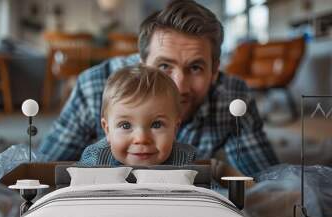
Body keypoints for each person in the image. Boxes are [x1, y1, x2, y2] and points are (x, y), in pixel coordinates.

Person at [39, 0, 279, 176]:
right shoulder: (94, 86)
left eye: (195, 67)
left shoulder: (233, 98)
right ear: (140, 62)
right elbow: (43, 170)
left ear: (214, 71)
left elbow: (268, 180)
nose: (178, 86)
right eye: (164, 66)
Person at [79, 65, 197, 166]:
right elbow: (75, 190)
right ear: (108, 130)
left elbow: (209, 190)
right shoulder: (96, 158)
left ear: (175, 129)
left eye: (156, 125)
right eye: (125, 125)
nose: (141, 139)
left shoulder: (183, 159)